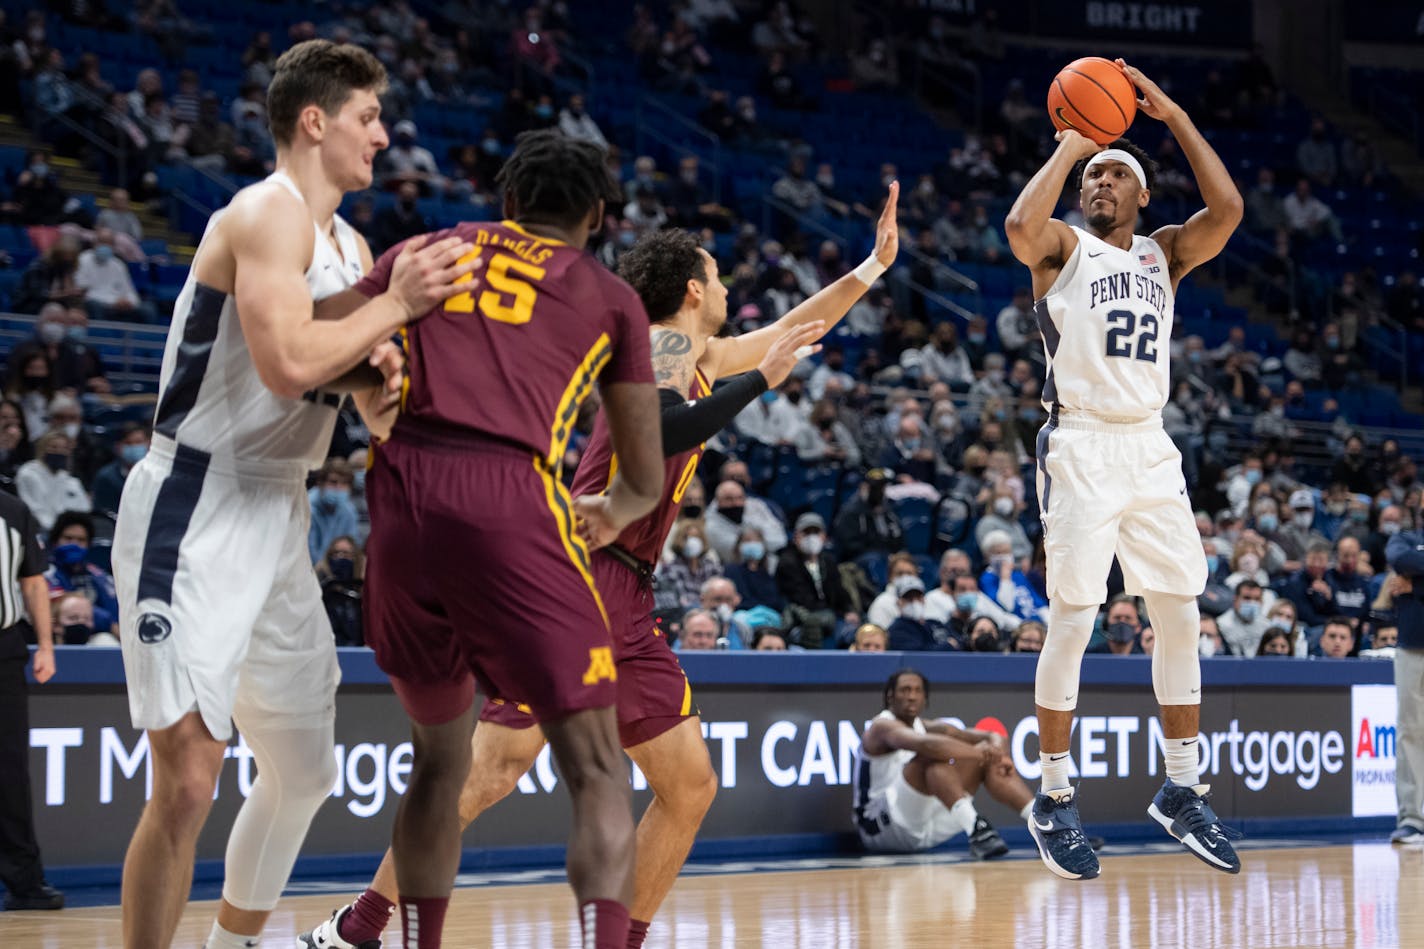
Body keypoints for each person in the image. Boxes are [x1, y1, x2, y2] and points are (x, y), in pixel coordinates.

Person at [301, 179, 900, 949]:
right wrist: (761, 383)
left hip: (624, 588)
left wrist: (873, 268)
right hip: (579, 575)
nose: (727, 290)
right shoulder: (662, 347)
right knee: (489, 772)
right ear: (693, 289)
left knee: (686, 787)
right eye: (718, 278)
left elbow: (796, 328)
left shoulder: (697, 351)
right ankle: (361, 926)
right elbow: (667, 425)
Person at [108, 41, 476, 949]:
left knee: (307, 769)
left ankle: (233, 943)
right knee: (189, 779)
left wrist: (395, 390)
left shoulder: (350, 245)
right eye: (369, 117)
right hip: (194, 500)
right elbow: (284, 365)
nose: (383, 137)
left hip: (281, 508)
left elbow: (354, 395)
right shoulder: (263, 215)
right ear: (315, 121)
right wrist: (396, 307)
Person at [1004, 59, 1244, 880]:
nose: (1100, 182)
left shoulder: (1163, 254)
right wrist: (1073, 145)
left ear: (1142, 194)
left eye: (1115, 172)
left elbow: (1231, 209)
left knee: (1181, 610)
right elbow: (1017, 226)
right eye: (1094, 175)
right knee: (1074, 617)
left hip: (1149, 442)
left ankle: (1182, 789)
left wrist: (1172, 115)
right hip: (1080, 443)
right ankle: (1056, 797)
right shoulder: (1062, 247)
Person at [852, 669, 1033, 859]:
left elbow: (992, 736)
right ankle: (977, 829)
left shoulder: (927, 726)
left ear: (925, 697)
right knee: (933, 755)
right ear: (890, 696)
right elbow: (927, 745)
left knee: (982, 760)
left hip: (924, 824)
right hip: (881, 828)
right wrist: (980, 752)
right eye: (905, 690)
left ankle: (1041, 827)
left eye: (917, 691)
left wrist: (999, 754)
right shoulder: (880, 727)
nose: (911, 697)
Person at [0, 490, 62, 911]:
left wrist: (45, 644)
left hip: (4, 647)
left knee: (10, 769)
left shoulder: (11, 508)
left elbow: (33, 581)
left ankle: (24, 880)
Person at [1387, 501, 1424, 845]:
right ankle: (1413, 818)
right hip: (1413, 645)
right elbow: (1401, 560)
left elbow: (1414, 569)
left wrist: (1418, 588)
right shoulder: (1405, 538)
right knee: (1411, 730)